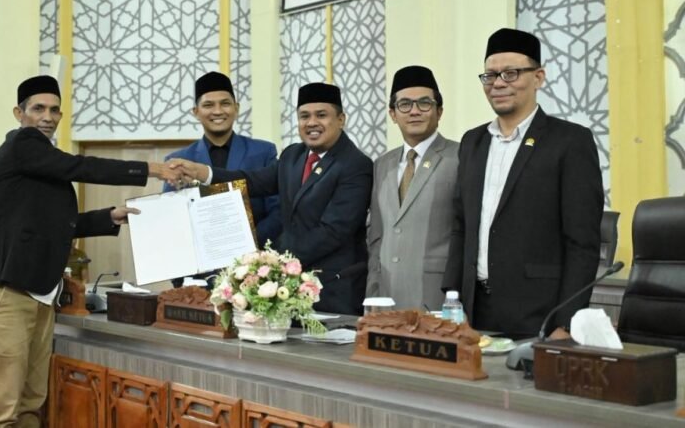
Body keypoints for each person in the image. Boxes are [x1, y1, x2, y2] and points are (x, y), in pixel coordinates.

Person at [0, 75, 178, 427]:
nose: (47, 117)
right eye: (38, 109)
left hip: (38, 291)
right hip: (8, 290)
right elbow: (81, 166)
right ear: (18, 113)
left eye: (54, 110)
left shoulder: (43, 162)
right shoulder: (21, 145)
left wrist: (108, 217)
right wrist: (153, 168)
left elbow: (55, 224)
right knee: (3, 408)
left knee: (31, 400)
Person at [442, 28, 603, 338]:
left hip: (539, 314)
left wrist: (565, 322)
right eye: (490, 76)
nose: (498, 83)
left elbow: (582, 243)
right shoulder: (472, 142)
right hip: (473, 314)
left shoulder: (570, 141)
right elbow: (461, 226)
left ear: (538, 77)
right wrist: (453, 300)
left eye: (511, 73)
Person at [171, 83, 373, 315]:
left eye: (322, 115)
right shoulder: (293, 155)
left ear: (341, 119)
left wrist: (266, 260)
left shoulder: (355, 164)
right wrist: (202, 173)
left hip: (333, 289)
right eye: (304, 116)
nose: (312, 123)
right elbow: (252, 182)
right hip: (288, 287)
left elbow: (333, 231)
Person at [367, 66, 458, 310]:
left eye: (424, 103)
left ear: (439, 111)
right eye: (405, 104)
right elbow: (377, 237)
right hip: (386, 299)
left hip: (437, 298)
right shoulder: (382, 165)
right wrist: (373, 294)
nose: (414, 111)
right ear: (393, 114)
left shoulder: (460, 157)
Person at [163, 71, 281, 246]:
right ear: (196, 112)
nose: (217, 111)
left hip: (253, 259)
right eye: (208, 105)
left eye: (225, 103)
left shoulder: (263, 152)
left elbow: (278, 211)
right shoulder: (179, 160)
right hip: (201, 261)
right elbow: (172, 216)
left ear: (237, 108)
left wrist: (247, 244)